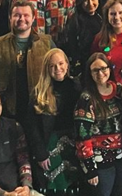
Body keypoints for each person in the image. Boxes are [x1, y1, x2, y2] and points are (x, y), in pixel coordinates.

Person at [0, 0, 55, 120]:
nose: (21, 19)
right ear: (10, 18)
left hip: (40, 109)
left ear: (33, 18)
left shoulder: (47, 43)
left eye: (26, 15)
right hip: (8, 111)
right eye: (17, 15)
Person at [74, 53, 122, 196]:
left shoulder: (119, 90)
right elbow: (83, 136)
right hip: (99, 160)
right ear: (90, 73)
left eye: (103, 68)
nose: (100, 73)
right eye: (95, 70)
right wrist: (90, 168)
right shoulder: (86, 99)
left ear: (109, 69)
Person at [25, 49, 81, 191]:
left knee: (76, 186)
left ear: (67, 64)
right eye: (52, 66)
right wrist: (40, 153)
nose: (58, 69)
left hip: (75, 143)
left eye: (61, 63)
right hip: (50, 145)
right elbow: (31, 127)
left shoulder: (77, 86)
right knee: (57, 188)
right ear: (47, 68)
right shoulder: (38, 93)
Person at [62, 0, 103, 76]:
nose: (90, 4)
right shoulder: (75, 21)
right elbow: (73, 46)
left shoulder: (102, 17)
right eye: (86, 0)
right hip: (84, 64)